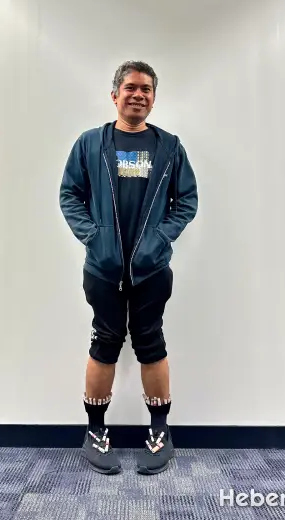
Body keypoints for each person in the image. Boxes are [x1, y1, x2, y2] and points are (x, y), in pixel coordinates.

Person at [59, 60, 198, 475]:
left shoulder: (170, 147)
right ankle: (95, 432)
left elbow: (186, 201)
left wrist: (159, 237)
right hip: (102, 268)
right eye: (132, 87)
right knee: (104, 343)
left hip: (152, 270)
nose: (139, 95)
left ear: (154, 99)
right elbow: (70, 195)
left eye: (147, 89)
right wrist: (94, 236)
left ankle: (159, 432)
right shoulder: (90, 143)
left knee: (151, 343)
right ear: (115, 94)